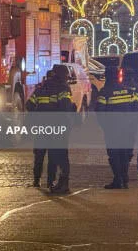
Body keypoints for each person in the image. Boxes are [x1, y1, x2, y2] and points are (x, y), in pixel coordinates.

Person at [96, 66, 138, 189]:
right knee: (125, 153)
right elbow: (137, 108)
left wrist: (106, 127)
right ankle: (125, 179)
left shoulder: (105, 93)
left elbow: (99, 112)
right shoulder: (130, 92)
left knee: (114, 154)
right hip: (129, 130)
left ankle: (118, 179)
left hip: (113, 130)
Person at [47, 65, 77, 194]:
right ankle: (63, 183)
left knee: (55, 154)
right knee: (62, 155)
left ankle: (58, 182)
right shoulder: (63, 87)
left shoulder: (47, 85)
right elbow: (65, 106)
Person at [27, 70, 56, 188]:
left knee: (39, 156)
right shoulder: (57, 91)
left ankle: (36, 180)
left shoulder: (39, 91)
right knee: (52, 156)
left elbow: (29, 105)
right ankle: (50, 182)